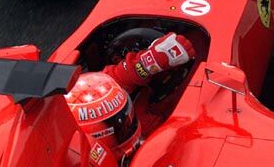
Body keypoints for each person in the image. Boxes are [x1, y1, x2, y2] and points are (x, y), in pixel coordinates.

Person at [64, 32, 195, 159]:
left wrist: (148, 62)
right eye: (120, 123)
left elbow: (115, 78)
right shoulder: (143, 139)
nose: (128, 115)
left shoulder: (90, 91)